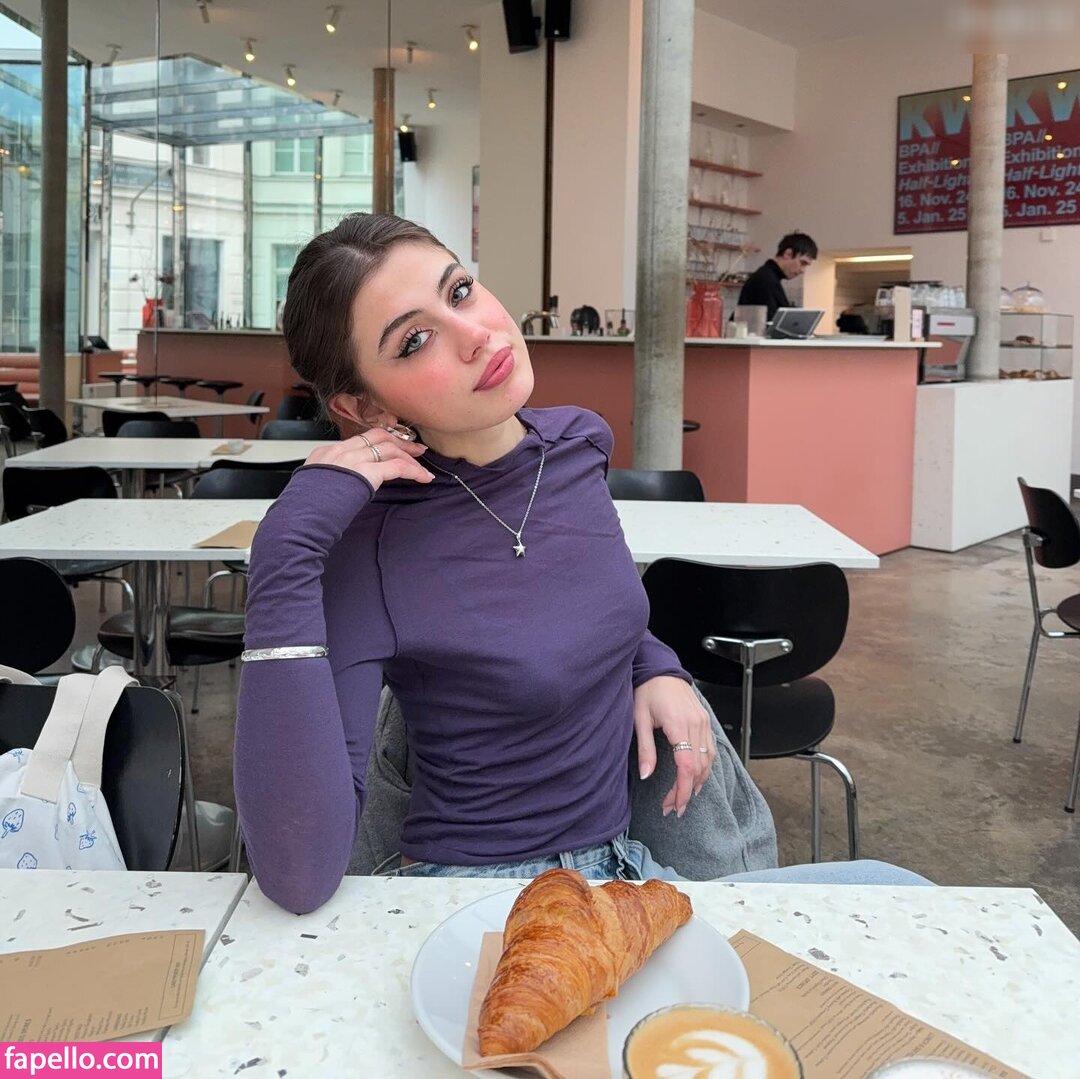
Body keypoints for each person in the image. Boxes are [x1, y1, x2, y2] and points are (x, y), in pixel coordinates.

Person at [235, 213, 927, 914]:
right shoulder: (372, 548)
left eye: (461, 291)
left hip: (626, 873)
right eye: (415, 340)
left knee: (902, 894)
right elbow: (298, 874)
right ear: (363, 405)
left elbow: (585, 595)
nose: (476, 335)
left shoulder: (576, 446)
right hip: (482, 897)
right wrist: (285, 548)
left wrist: (655, 665)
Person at [736, 231, 818, 321]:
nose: (803, 270)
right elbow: (770, 324)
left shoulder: (768, 276)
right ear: (788, 254)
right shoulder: (766, 279)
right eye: (802, 263)